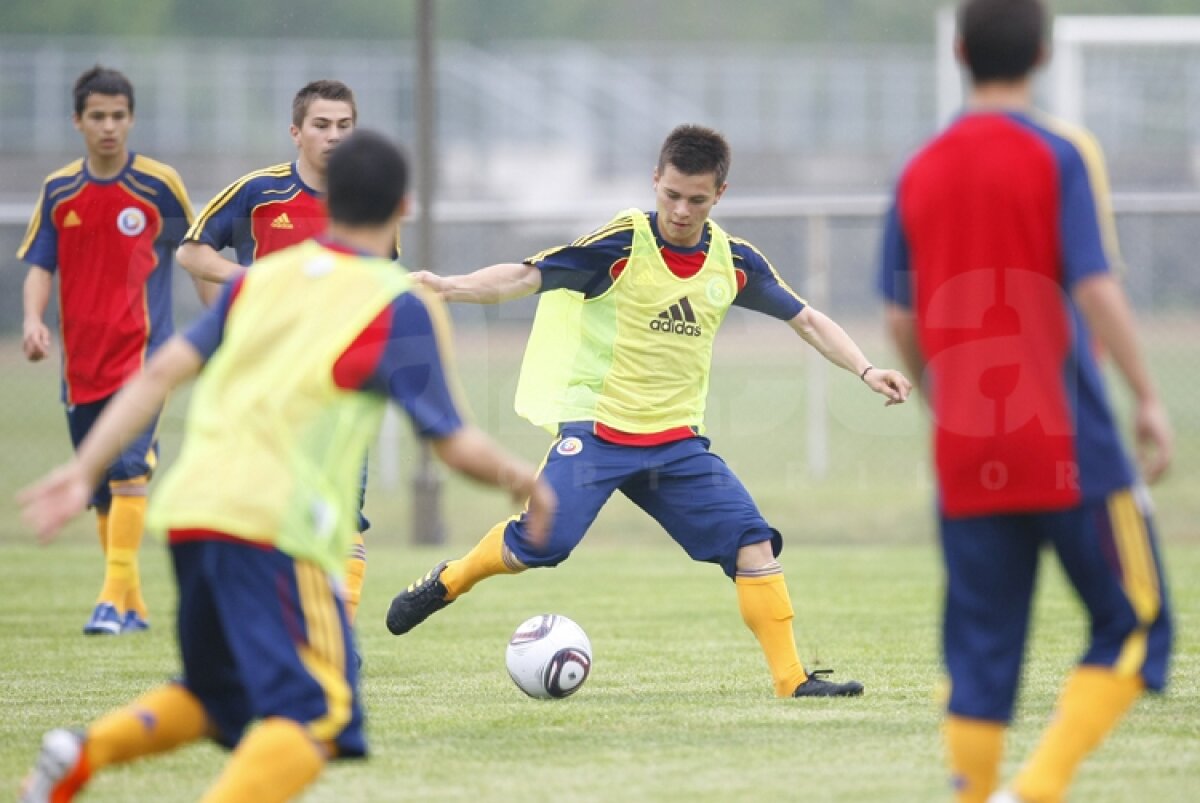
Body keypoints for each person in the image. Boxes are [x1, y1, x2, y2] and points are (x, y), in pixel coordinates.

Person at [17, 129, 555, 803]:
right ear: (403, 208)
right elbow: (452, 442)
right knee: (318, 716)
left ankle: (80, 753)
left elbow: (161, 372)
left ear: (330, 205)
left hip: (191, 514)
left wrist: (81, 469)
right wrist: (525, 478)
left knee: (217, 696)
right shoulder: (397, 302)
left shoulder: (261, 281)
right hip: (273, 526)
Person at [387, 123, 912, 699]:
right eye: (672, 195)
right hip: (598, 432)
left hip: (677, 445)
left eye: (697, 199)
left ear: (720, 196)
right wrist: (448, 286)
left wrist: (866, 369)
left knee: (751, 541)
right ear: (655, 181)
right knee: (542, 545)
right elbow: (526, 275)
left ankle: (792, 681)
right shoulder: (620, 246)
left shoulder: (733, 261)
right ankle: (451, 579)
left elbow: (806, 319)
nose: (682, 210)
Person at [876, 1, 1174, 801]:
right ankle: (1035, 791)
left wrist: (946, 399)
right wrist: (1147, 394)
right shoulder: (1059, 154)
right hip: (1070, 441)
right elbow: (1094, 281)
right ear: (1042, 54)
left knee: (979, 653)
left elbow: (900, 316)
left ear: (959, 49)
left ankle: (975, 793)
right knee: (1137, 623)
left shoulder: (917, 166)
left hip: (970, 447)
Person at [177, 79, 375, 624]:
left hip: (338, 385)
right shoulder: (258, 192)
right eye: (321, 125)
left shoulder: (367, 201)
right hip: (265, 383)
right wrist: (252, 280)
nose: (333, 136)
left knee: (342, 517)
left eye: (344, 126)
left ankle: (338, 639)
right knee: (264, 515)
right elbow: (192, 253)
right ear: (296, 132)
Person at [17, 65, 195, 636]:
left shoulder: (158, 185)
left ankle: (108, 601)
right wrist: (31, 321)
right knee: (97, 491)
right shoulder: (59, 190)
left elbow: (193, 254)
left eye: (119, 115)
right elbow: (40, 265)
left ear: (131, 118)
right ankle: (132, 601)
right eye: (98, 116)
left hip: (144, 358)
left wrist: (225, 323)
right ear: (78, 121)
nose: (109, 126)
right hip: (82, 366)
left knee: (128, 473)